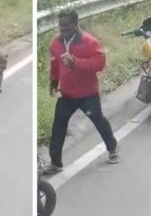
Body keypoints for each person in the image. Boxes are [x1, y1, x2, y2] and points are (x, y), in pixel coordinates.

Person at [43, 9, 119, 174]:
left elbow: (100, 63)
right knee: (58, 127)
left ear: (76, 24)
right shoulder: (55, 44)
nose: (63, 29)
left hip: (88, 94)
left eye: (67, 26)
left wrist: (76, 63)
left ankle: (112, 148)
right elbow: (55, 63)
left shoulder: (90, 42)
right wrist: (53, 80)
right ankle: (55, 163)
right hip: (67, 94)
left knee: (99, 121)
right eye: (61, 26)